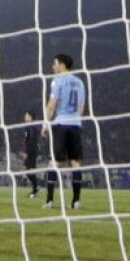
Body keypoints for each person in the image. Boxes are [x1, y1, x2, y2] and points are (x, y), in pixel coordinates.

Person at [44, 53, 86, 210]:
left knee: (53, 162)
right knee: (75, 163)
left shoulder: (57, 81)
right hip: (76, 124)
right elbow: (81, 107)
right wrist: (75, 120)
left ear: (62, 65)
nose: (53, 67)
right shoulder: (80, 83)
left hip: (61, 124)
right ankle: (76, 201)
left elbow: (51, 105)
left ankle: (49, 201)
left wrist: (45, 124)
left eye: (55, 64)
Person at [18, 109, 43, 198]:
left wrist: (27, 153)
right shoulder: (29, 127)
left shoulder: (32, 127)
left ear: (30, 117)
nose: (25, 117)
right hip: (32, 151)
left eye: (26, 115)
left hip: (32, 152)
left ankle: (36, 187)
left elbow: (32, 142)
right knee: (29, 170)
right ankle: (35, 188)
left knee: (28, 170)